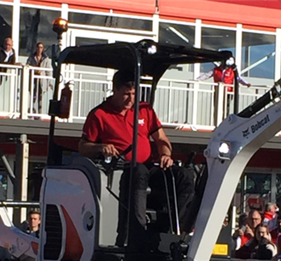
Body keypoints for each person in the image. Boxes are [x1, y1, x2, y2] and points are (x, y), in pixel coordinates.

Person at [79, 70, 195, 246]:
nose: (131, 99)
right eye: (126, 94)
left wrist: (165, 154)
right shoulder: (99, 115)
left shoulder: (144, 110)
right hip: (122, 169)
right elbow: (83, 147)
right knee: (138, 171)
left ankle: (173, 228)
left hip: (149, 167)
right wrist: (100, 147)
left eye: (134, 94)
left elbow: (162, 139)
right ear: (115, 90)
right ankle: (137, 231)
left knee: (184, 176)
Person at [26, 42, 52, 114]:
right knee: (33, 96)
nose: (39, 49)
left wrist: (49, 82)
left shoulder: (46, 59)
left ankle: (40, 112)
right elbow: (27, 66)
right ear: (36, 48)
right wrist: (34, 71)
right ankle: (31, 111)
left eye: (41, 47)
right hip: (33, 80)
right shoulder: (31, 57)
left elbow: (48, 71)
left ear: (43, 49)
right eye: (38, 47)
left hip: (42, 80)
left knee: (40, 97)